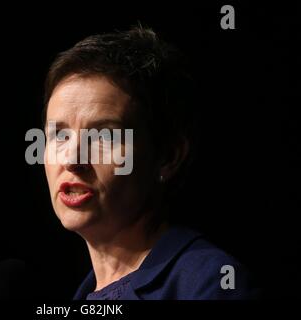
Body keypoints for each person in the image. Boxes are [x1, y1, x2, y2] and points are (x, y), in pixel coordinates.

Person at [42, 26, 258, 300]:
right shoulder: (84, 297)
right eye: (59, 135)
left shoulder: (209, 284)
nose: (73, 160)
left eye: (104, 136)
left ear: (167, 157)